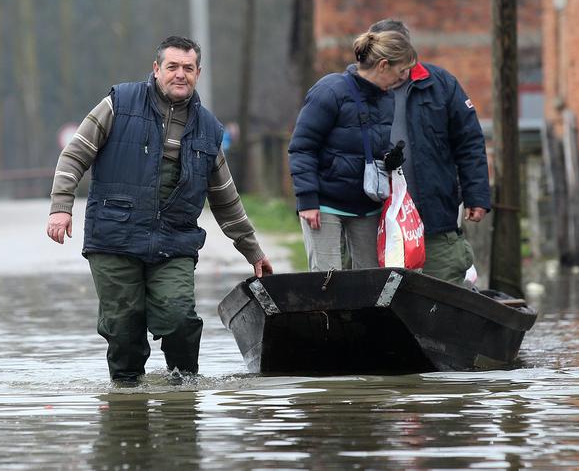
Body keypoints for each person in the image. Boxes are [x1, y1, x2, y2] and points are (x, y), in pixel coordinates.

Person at [46, 36, 273, 385]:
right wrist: (61, 207)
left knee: (180, 317)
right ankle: (126, 399)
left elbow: (226, 199)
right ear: (156, 70)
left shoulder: (209, 130)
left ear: (198, 73)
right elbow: (75, 153)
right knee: (124, 326)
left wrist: (253, 251)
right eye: (172, 67)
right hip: (114, 237)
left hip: (174, 242)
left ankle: (182, 392)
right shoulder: (118, 103)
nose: (180, 74)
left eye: (188, 68)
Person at [370, 18, 491, 285]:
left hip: (434, 219)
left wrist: (477, 195)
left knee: (444, 291)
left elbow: (469, 142)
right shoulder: (353, 88)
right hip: (371, 221)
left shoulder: (441, 85)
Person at [288, 29, 416, 271]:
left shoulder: (387, 99)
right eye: (401, 71)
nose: (403, 78)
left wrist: (391, 158)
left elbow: (370, 144)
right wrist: (307, 200)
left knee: (371, 280)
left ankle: (359, 313)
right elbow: (302, 147)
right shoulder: (330, 90)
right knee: (327, 280)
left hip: (367, 203)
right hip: (325, 202)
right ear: (383, 65)